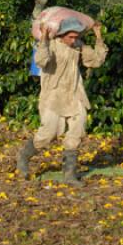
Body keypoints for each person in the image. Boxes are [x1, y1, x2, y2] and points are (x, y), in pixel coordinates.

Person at [16, 16, 107, 185]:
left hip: (74, 95)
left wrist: (98, 36)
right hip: (53, 97)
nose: (74, 40)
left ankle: (69, 174)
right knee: (47, 135)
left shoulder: (79, 47)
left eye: (76, 37)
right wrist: (43, 37)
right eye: (70, 37)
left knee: (76, 134)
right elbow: (41, 60)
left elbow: (96, 61)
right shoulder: (51, 46)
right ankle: (23, 157)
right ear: (62, 35)